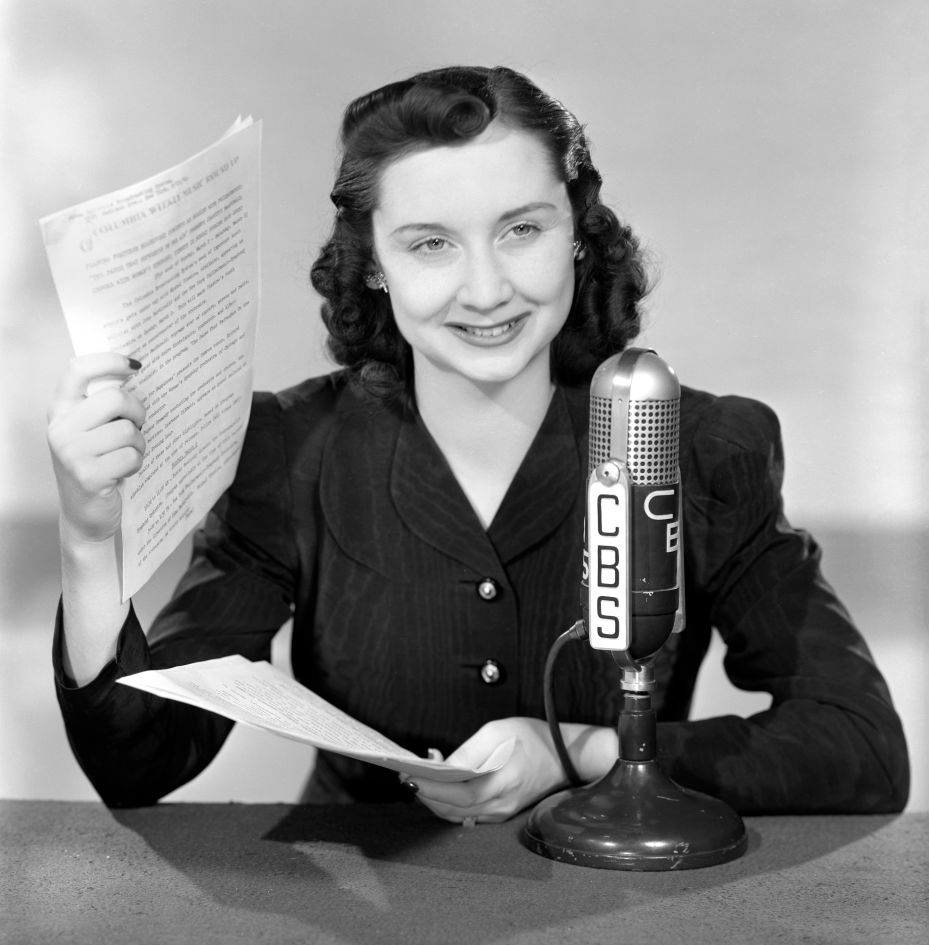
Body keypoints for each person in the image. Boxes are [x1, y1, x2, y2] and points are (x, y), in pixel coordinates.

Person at [47, 65, 909, 821]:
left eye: (521, 230)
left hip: (616, 907)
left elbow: (860, 749)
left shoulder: (703, 445)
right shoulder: (288, 447)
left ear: (576, 231)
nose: (487, 289)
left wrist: (578, 751)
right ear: (375, 263)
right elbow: (139, 763)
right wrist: (90, 541)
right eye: (430, 244)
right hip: (354, 932)